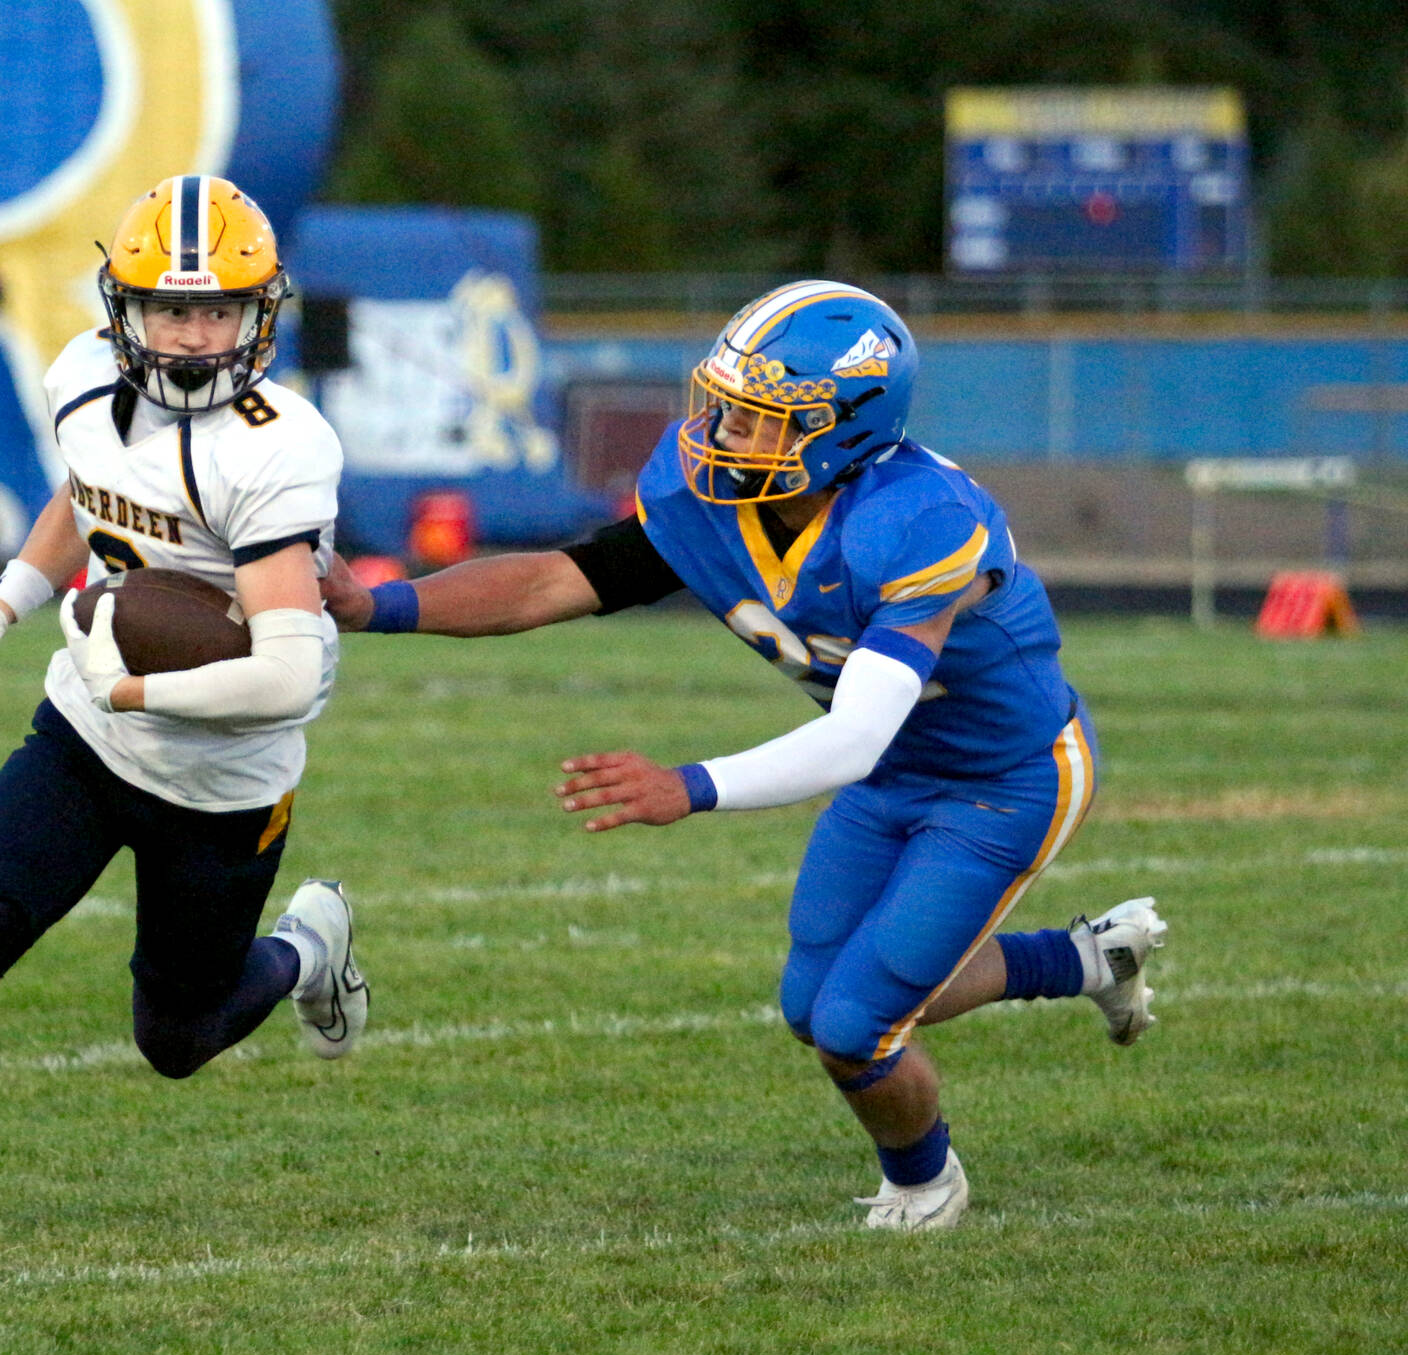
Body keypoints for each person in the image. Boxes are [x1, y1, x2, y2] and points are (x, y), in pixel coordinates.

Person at [323, 279, 1165, 1231]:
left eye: (761, 417)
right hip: (896, 773)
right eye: (723, 405)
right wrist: (381, 606)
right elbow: (563, 577)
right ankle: (1086, 960)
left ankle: (927, 1185)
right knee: (817, 1002)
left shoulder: (917, 522)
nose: (722, 432)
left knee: (857, 1026)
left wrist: (689, 786)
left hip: (1002, 779)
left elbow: (852, 737)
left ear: (845, 428)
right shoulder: (708, 494)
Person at [0, 175, 369, 1288]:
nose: (193, 335)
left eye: (215, 312)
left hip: (225, 774)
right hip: (84, 737)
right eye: (169, 309)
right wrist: (3, 604)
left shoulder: (277, 445)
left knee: (177, 1039)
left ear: (258, 317)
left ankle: (307, 947)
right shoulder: (81, 377)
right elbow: (83, 496)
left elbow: (289, 671)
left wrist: (136, 691)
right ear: (123, 311)